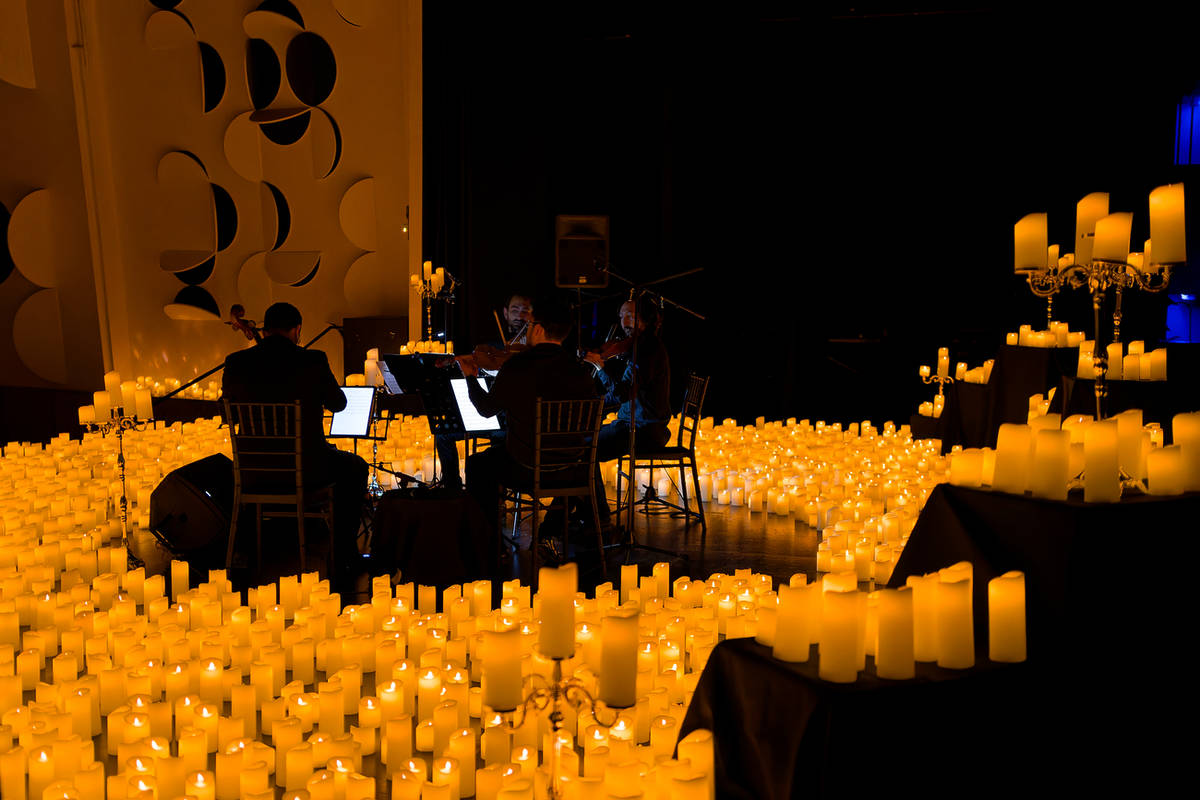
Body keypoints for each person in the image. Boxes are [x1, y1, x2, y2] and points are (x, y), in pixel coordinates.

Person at [222, 302, 369, 590]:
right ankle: (344, 555)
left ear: (266, 328)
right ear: (297, 330)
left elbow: (229, 415)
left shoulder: (236, 362)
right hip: (308, 469)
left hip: (254, 471)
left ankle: (244, 552)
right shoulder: (313, 360)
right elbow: (339, 403)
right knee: (356, 467)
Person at [462, 297, 598, 540]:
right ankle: (550, 533)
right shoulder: (581, 371)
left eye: (530, 324)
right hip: (571, 469)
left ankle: (489, 543)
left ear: (538, 329)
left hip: (525, 469)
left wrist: (470, 378)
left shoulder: (517, 367)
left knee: (477, 465)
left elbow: (486, 409)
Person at [585, 294, 672, 522]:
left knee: (583, 452)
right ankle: (585, 516)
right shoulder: (638, 347)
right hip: (632, 425)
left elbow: (623, 393)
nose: (624, 322)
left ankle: (597, 518)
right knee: (581, 446)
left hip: (643, 430)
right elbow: (621, 393)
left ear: (646, 319)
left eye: (631, 316)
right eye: (621, 315)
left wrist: (600, 368)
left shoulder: (646, 350)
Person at [434, 291, 533, 489]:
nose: (520, 316)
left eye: (525, 311)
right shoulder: (493, 347)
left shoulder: (534, 350)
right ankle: (452, 489)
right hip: (487, 410)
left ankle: (497, 492)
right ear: (505, 313)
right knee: (443, 433)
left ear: (532, 315)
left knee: (496, 443)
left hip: (512, 423)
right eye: (515, 310)